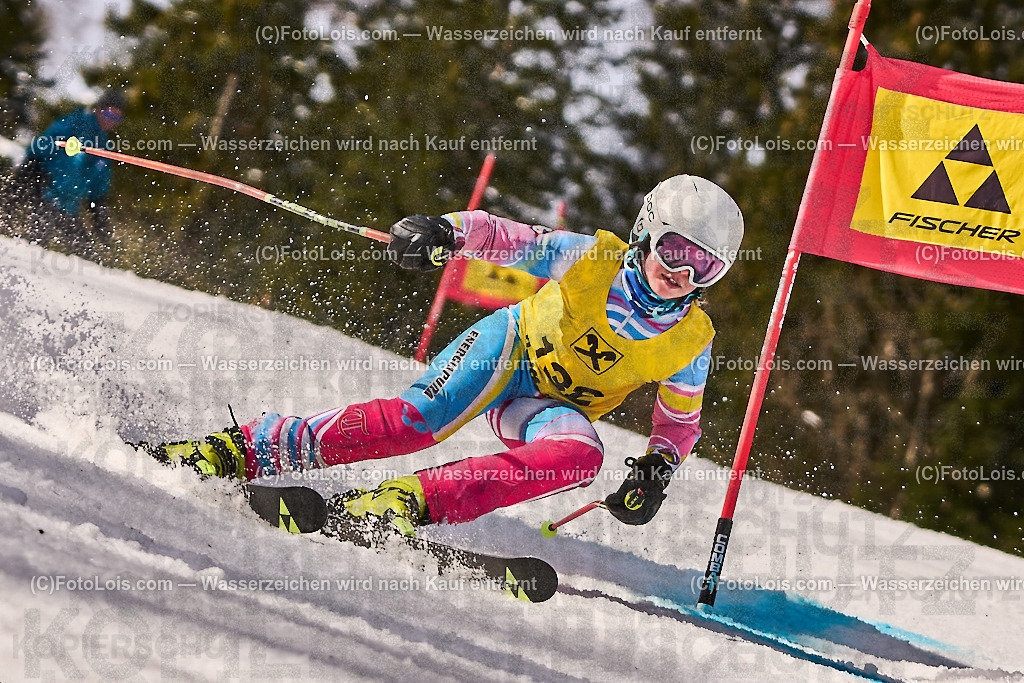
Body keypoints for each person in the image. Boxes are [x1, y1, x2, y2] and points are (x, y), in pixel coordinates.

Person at [146, 175, 744, 533]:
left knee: (580, 456)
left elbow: (679, 422)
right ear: (646, 230)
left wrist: (658, 469)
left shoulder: (692, 343)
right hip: (508, 350)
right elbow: (513, 241)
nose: (681, 271)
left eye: (704, 265)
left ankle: (411, 501)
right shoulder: (594, 259)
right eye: (673, 249)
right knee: (417, 422)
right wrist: (447, 231)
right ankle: (248, 447)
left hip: (545, 406)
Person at [6, 88, 125, 250]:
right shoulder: (74, 122)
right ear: (98, 109)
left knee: (87, 251)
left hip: (68, 207)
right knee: (35, 243)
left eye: (117, 118)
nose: (111, 121)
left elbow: (99, 181)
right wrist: (32, 171)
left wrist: (99, 212)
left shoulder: (104, 146)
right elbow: (42, 144)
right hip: (47, 194)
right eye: (109, 114)